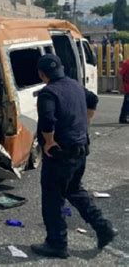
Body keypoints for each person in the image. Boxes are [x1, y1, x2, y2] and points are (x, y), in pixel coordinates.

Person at [31, 54, 117, 259]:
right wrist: (85, 124)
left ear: (42, 74)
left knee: (52, 199)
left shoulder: (48, 93)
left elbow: (47, 120)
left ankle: (56, 243)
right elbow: (93, 100)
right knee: (74, 190)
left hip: (60, 154)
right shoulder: (75, 85)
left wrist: (49, 141)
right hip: (80, 150)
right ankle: (103, 227)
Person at [118, 57, 129, 123]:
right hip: (127, 87)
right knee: (127, 103)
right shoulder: (127, 63)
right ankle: (123, 118)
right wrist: (121, 86)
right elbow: (120, 74)